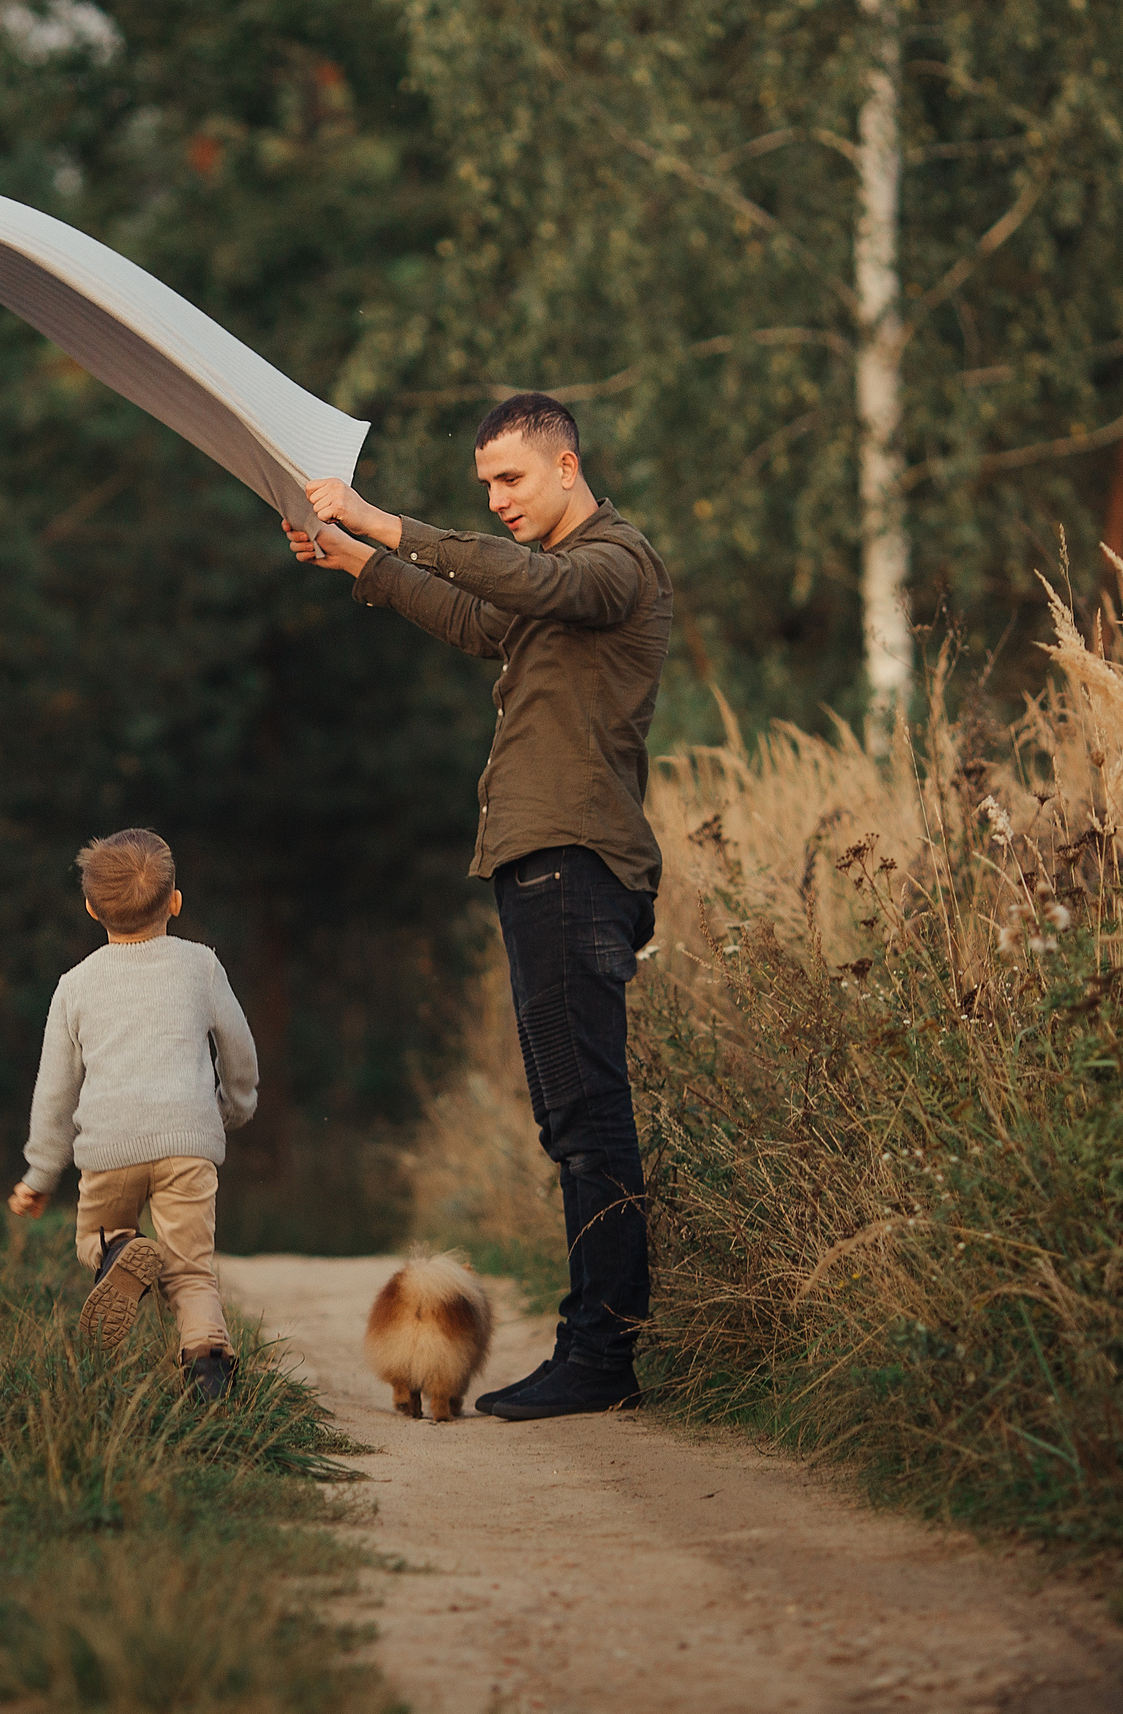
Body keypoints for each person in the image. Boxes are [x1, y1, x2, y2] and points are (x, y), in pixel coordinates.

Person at [283, 393, 669, 1422]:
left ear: (567, 466)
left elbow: (523, 581)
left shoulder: (613, 562)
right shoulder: (552, 586)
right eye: (484, 486)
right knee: (571, 1119)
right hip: (542, 862)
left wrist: (384, 522)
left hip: (573, 859)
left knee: (588, 1121)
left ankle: (601, 1356)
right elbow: (479, 615)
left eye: (510, 480)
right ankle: (599, 1346)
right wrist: (360, 564)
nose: (496, 501)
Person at [5, 829, 259, 1401]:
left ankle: (117, 1252)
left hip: (108, 1149)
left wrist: (39, 1175)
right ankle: (209, 1372)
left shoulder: (75, 985)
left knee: (94, 1239)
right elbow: (238, 1051)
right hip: (187, 1144)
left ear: (91, 908)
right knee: (190, 1270)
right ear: (175, 901)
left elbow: (55, 1092)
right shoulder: (201, 966)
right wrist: (233, 1109)